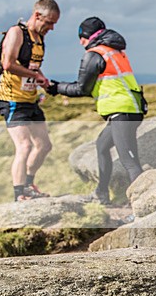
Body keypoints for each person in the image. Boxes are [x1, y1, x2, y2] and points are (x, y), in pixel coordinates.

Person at [49, 17, 145, 204]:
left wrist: (55, 88)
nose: (80, 42)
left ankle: (140, 208)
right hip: (129, 110)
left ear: (88, 36)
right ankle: (101, 194)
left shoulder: (95, 54)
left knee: (130, 163)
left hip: (122, 113)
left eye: (81, 37)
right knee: (102, 145)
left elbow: (81, 88)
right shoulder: (114, 51)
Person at [0, 0, 60, 201]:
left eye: (54, 24)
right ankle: (19, 193)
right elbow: (8, 64)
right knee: (25, 146)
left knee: (44, 145)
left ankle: (29, 184)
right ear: (37, 15)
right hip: (11, 99)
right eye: (49, 22)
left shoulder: (39, 38)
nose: (51, 28)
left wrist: (41, 78)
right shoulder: (16, 32)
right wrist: (36, 76)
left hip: (30, 99)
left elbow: (30, 65)